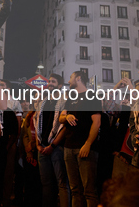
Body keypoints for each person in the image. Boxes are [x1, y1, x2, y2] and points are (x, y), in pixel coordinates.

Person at [59, 71, 101, 207]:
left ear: (78, 78)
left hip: (85, 148)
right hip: (68, 147)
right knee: (75, 189)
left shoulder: (92, 96)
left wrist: (88, 144)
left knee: (89, 191)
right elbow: (61, 118)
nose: (69, 80)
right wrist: (67, 117)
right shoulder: (71, 97)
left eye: (71, 77)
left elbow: (97, 122)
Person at [34, 73, 70, 207]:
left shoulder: (64, 102)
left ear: (60, 85)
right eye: (49, 81)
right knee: (46, 183)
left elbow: (64, 127)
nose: (50, 84)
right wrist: (38, 144)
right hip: (42, 148)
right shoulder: (43, 102)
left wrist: (53, 146)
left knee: (62, 183)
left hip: (57, 148)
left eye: (53, 82)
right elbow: (36, 122)